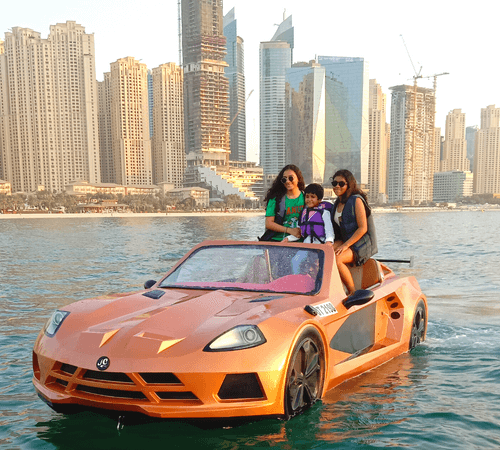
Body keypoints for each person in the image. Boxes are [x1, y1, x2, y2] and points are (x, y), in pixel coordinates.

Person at [331, 169, 377, 295]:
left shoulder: (356, 200)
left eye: (341, 183)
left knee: (337, 259)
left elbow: (363, 228)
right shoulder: (337, 203)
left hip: (360, 244)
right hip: (346, 240)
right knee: (326, 252)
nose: (337, 186)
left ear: (349, 184)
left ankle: (352, 292)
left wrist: (345, 246)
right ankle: (333, 290)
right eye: (334, 183)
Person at [259, 164, 305, 242]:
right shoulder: (275, 199)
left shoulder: (306, 198)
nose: (287, 181)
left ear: (298, 178)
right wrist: (289, 230)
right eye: (284, 179)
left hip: (300, 242)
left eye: (291, 178)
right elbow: (269, 223)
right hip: (278, 241)